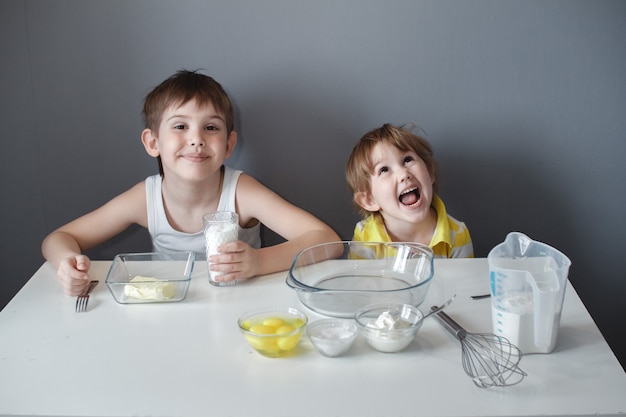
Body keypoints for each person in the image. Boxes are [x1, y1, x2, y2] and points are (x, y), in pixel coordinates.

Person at [42, 70, 340, 296]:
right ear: (153, 141)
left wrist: (259, 263)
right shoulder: (144, 199)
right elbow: (59, 237)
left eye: (210, 127)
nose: (196, 138)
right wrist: (68, 262)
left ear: (228, 144)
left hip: (239, 307)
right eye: (181, 126)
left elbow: (327, 239)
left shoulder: (241, 192)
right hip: (171, 310)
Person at [345, 123, 473, 258]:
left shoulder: (457, 234)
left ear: (429, 172)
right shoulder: (365, 238)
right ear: (369, 200)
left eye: (407, 160)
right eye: (384, 170)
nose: (403, 174)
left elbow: (465, 279)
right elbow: (361, 279)